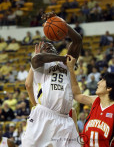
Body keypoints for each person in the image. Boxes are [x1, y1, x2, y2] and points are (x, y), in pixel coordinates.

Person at [22, 12, 82, 147]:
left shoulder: (66, 64)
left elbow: (77, 40)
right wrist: (65, 59)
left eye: (50, 46)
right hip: (44, 115)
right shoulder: (39, 65)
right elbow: (38, 58)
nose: (47, 47)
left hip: (65, 119)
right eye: (44, 48)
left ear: (55, 49)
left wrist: (61, 22)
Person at [67, 55, 114, 147]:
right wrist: (71, 70)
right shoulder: (95, 101)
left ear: (109, 88)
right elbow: (77, 95)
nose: (98, 83)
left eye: (102, 80)